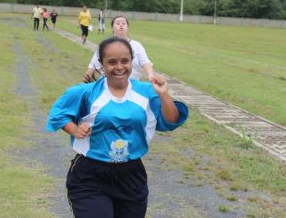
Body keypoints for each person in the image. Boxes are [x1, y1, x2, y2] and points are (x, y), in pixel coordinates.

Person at [46, 36, 189, 218]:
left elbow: (171, 120)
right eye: (112, 62)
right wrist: (74, 129)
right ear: (102, 64)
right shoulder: (86, 92)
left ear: (132, 61)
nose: (119, 67)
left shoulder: (145, 92)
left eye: (125, 61)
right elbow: (59, 113)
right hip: (90, 175)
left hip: (131, 175)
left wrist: (164, 95)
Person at [83, 16, 154, 83]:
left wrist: (150, 75)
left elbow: (145, 63)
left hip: (133, 86)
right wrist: (86, 80)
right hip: (108, 86)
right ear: (112, 28)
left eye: (123, 23)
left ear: (127, 27)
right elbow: (93, 65)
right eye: (118, 23)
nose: (121, 25)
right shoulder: (105, 45)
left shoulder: (137, 45)